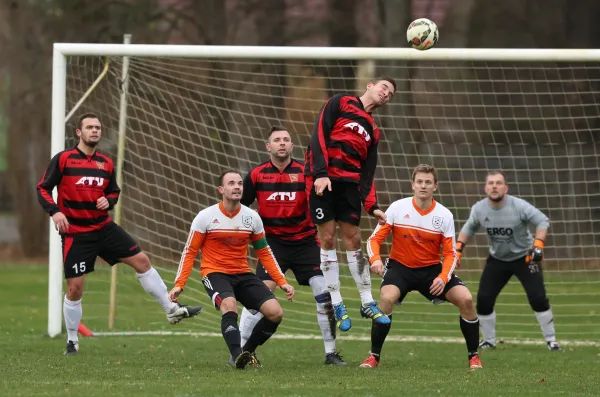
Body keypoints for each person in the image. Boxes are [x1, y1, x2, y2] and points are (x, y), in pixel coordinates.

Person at [36, 113, 202, 356]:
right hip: (76, 233)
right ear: (78, 133)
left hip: (103, 228)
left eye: (98, 127)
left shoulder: (106, 162)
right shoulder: (63, 159)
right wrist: (55, 212)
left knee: (142, 261)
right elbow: (43, 188)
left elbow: (114, 192)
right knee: (74, 289)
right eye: (89, 127)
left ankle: (171, 309)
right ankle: (72, 340)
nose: (94, 131)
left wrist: (108, 201)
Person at [238, 126, 345, 366]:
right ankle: (240, 350)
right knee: (258, 298)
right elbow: (240, 207)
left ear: (292, 146)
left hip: (306, 242)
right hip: (272, 245)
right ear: (269, 147)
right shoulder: (256, 175)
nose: (282, 143)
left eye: (286, 139)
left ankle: (331, 353)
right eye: (276, 140)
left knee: (324, 294)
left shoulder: (305, 173)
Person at [169, 170, 295, 369]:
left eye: (239, 183)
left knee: (275, 313)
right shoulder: (206, 216)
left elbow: (265, 252)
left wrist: (282, 281)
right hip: (214, 273)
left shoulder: (252, 217)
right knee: (229, 305)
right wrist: (179, 285)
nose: (237, 186)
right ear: (221, 189)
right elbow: (190, 251)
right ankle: (237, 357)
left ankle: (247, 352)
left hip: (243, 273)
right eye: (231, 183)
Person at [361, 164, 482, 370]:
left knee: (467, 300)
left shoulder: (444, 215)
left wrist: (443, 277)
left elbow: (450, 253)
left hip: (431, 270)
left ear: (435, 186)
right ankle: (374, 356)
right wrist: (375, 260)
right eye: (419, 182)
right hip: (400, 268)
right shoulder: (398, 208)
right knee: (386, 299)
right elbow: (374, 240)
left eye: (428, 182)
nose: (423, 186)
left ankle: (474, 357)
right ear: (413, 185)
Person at [304, 77, 396, 331]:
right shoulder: (341, 102)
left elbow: (369, 172)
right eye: (384, 88)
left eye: (390, 94)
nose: (386, 94)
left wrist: (372, 205)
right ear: (370, 85)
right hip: (325, 181)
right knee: (328, 238)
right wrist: (320, 173)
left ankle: (367, 301)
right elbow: (318, 134)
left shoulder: (373, 130)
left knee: (354, 239)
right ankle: (337, 302)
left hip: (349, 186)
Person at [456, 170, 561, 351]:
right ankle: (488, 340)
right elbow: (470, 227)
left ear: (506, 187)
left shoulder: (519, 206)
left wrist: (538, 244)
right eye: (491, 183)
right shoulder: (479, 208)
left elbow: (542, 221)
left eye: (498, 183)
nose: (494, 186)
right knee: (484, 300)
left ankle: (551, 341)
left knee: (538, 298)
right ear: (485, 188)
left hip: (525, 258)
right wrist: (458, 248)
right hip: (497, 259)